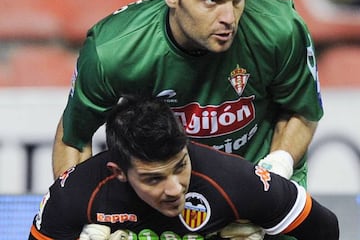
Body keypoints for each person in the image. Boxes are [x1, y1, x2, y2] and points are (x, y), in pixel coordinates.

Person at [53, 0, 323, 229]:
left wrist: (273, 178)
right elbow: (75, 138)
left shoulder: (281, 30)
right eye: (211, 0)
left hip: (255, 177)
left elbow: (301, 110)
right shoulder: (112, 51)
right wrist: (80, 217)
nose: (229, 18)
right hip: (164, 199)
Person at [31, 96, 338, 240]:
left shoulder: (236, 182)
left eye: (180, 166)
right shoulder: (76, 194)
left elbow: (326, 229)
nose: (175, 188)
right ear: (118, 172)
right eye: (153, 178)